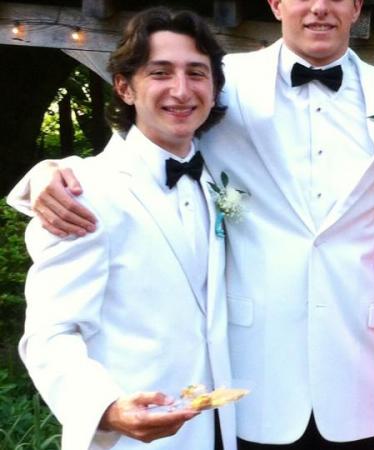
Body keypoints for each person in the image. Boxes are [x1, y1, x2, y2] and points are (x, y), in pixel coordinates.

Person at [11, 1, 374, 448]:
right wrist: (48, 174)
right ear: (275, 3)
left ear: (357, 5)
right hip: (254, 373)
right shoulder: (226, 81)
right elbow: (147, 136)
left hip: (362, 364)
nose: (320, 6)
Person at [9, 7, 237, 450]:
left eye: (196, 73)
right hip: (131, 439)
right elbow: (49, 334)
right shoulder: (81, 191)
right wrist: (107, 408)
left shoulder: (219, 182)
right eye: (160, 72)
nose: (181, 90)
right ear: (123, 87)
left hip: (217, 434)